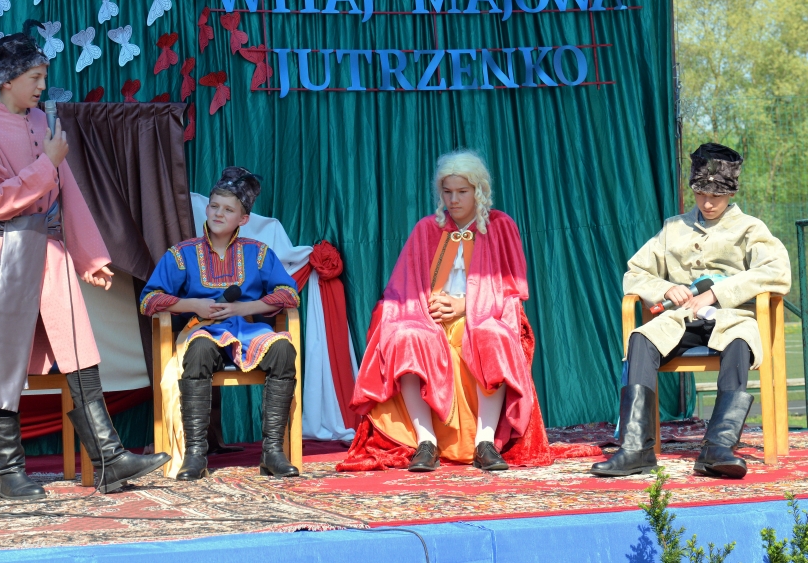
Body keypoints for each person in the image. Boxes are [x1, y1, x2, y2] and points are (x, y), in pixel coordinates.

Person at [0, 20, 170, 500]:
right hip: (5, 254)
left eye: (43, 77)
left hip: (50, 253)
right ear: (7, 80)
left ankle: (109, 459)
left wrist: (90, 256)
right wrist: (47, 163)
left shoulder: (42, 123)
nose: (43, 86)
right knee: (3, 357)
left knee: (78, 349)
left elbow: (68, 193)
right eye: (35, 78)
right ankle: (7, 473)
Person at [340, 150, 560, 473]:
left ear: (479, 190)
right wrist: (422, 311)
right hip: (428, 318)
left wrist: (464, 305)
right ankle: (426, 442)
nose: (453, 200)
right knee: (405, 337)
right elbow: (402, 287)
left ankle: (485, 442)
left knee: (492, 336)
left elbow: (513, 288)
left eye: (462, 192)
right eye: (447, 192)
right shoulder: (426, 229)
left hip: (481, 315)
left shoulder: (500, 227)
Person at [591, 143, 791, 479]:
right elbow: (635, 273)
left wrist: (717, 293)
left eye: (716, 196)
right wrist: (664, 289)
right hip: (679, 319)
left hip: (730, 319)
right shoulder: (673, 228)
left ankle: (717, 448)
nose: (708, 203)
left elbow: (777, 271)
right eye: (701, 194)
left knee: (740, 342)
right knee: (641, 338)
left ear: (731, 192)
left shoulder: (750, 228)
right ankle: (636, 449)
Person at [140, 167, 302, 479]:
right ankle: (195, 455)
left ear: (243, 219)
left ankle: (273, 452)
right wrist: (193, 304)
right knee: (199, 350)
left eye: (228, 209)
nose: (218, 213)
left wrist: (245, 307)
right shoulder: (182, 254)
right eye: (214, 205)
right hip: (202, 330)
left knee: (283, 350)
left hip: (248, 330)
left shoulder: (258, 253)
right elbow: (149, 300)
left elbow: (289, 294)